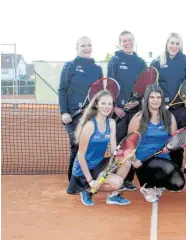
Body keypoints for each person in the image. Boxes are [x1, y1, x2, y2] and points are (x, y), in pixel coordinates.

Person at [67, 90, 132, 206]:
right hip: (83, 170)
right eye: (103, 103)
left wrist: (123, 154)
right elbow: (81, 156)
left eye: (109, 104)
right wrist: (90, 180)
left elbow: (113, 150)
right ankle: (87, 189)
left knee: (126, 162)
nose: (107, 107)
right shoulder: (90, 126)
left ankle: (113, 196)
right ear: (96, 105)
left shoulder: (111, 123)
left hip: (99, 164)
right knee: (118, 182)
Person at [128, 84, 185, 203]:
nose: (155, 100)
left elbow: (174, 141)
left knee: (178, 184)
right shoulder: (138, 118)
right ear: (146, 99)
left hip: (163, 157)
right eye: (152, 97)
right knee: (169, 168)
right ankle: (148, 187)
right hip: (143, 160)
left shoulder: (169, 117)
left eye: (158, 97)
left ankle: (155, 185)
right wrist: (133, 160)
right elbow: (129, 143)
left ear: (162, 99)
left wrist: (169, 147)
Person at [58, 36, 103, 182]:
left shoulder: (97, 69)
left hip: (90, 115)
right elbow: (62, 90)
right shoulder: (69, 66)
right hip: (72, 116)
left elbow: (99, 93)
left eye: (89, 45)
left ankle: (86, 178)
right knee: (76, 146)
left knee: (90, 147)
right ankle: (73, 180)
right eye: (83, 45)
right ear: (77, 48)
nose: (86, 48)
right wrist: (64, 112)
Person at [107, 30, 147, 191]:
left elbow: (145, 87)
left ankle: (128, 179)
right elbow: (110, 85)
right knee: (118, 147)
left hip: (135, 112)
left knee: (132, 145)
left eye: (130, 40)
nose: (128, 43)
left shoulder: (141, 62)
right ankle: (113, 177)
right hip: (119, 112)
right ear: (120, 43)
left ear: (134, 41)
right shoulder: (114, 61)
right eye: (124, 41)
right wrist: (115, 106)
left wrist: (137, 102)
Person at [150, 32, 186, 169]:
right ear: (167, 44)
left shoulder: (185, 60)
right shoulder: (158, 61)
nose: (174, 46)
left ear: (180, 45)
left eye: (177, 43)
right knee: (162, 138)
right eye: (171, 43)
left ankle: (176, 170)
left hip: (181, 108)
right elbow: (152, 85)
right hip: (162, 108)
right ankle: (163, 169)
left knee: (178, 140)